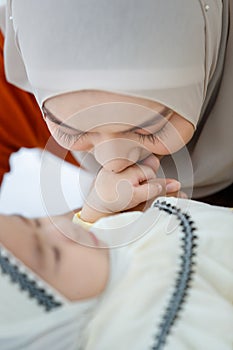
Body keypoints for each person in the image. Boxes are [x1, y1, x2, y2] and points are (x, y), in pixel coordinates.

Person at [0, 1, 232, 206]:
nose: (113, 163)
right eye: (70, 131)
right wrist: (93, 220)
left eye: (150, 129)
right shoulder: (11, 85)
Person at [0, 193, 233, 349]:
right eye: (54, 254)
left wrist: (95, 211)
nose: (61, 227)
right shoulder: (168, 332)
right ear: (51, 328)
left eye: (34, 222)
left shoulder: (104, 251)